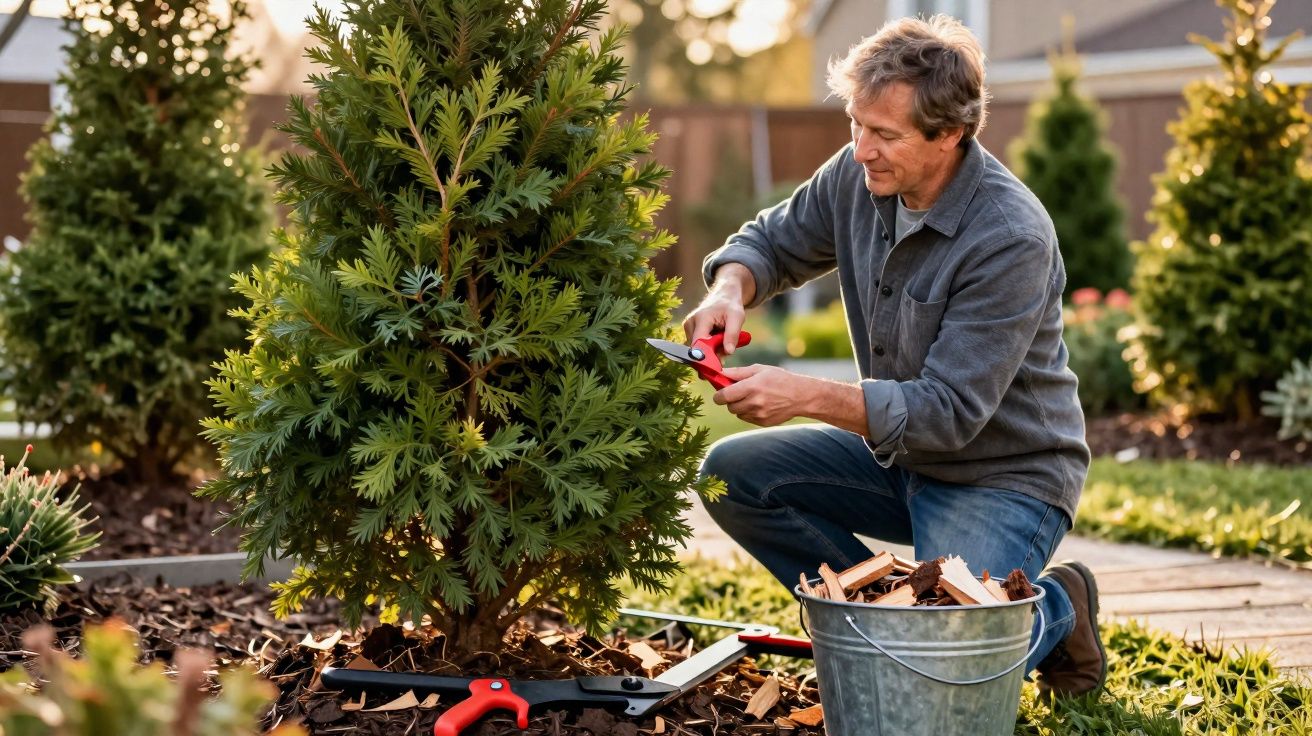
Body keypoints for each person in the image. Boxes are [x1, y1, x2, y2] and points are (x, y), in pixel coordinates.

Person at [683, 14, 1104, 697]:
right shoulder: (860, 177)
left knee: (937, 678)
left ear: (950, 135)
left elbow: (946, 414)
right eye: (856, 123)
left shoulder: (1009, 236)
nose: (860, 149)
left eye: (884, 134)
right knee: (732, 476)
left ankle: (1056, 607)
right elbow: (772, 242)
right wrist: (730, 289)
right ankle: (889, 617)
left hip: (1003, 476)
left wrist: (804, 396)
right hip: (899, 461)